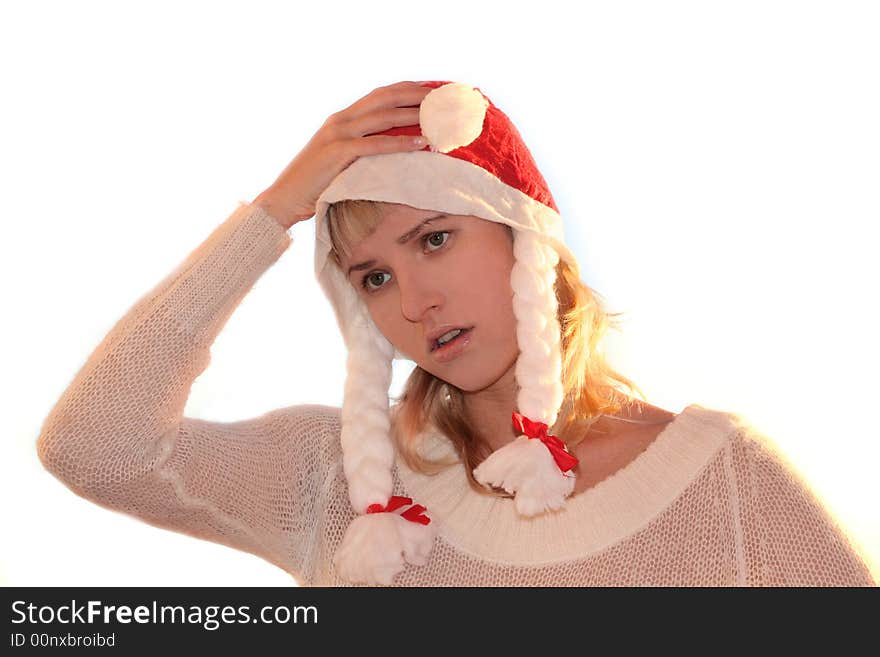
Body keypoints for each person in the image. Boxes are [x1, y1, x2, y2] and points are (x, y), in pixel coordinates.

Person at [36, 80, 876, 587]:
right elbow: (92, 445)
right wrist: (275, 211)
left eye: (435, 238)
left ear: (524, 240)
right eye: (372, 276)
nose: (415, 300)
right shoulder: (334, 482)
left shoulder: (719, 479)